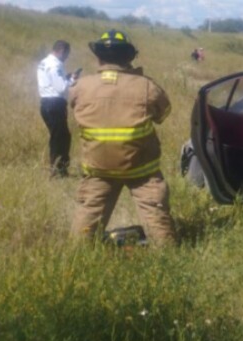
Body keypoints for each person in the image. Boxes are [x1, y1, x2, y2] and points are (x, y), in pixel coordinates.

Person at [69, 30, 176, 246]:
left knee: (88, 215)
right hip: (141, 169)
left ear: (98, 57)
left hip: (98, 169)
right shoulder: (147, 86)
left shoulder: (80, 87)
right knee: (155, 213)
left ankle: (79, 255)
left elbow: (73, 106)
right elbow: (162, 114)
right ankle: (166, 253)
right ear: (129, 57)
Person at [37, 40, 76, 178]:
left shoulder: (44, 62)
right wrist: (72, 80)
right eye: (67, 54)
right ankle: (59, 171)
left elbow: (52, 82)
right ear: (61, 51)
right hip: (55, 104)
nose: (67, 57)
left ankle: (58, 169)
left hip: (46, 103)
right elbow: (61, 88)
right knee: (61, 138)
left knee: (58, 137)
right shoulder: (55, 66)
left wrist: (65, 78)